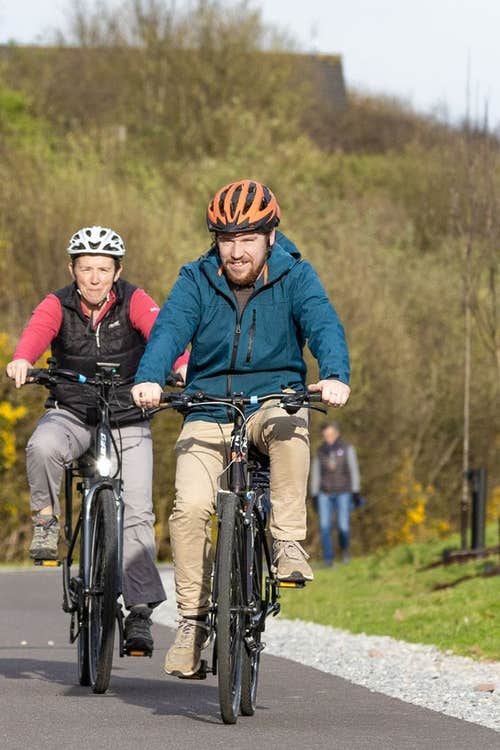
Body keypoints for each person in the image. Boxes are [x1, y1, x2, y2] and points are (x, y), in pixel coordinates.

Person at [131, 179, 350, 678]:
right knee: (188, 508)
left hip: (274, 398)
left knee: (291, 429)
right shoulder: (196, 278)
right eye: (227, 239)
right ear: (215, 241)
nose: (236, 251)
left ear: (271, 237)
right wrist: (149, 377)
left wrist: (334, 374)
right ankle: (191, 623)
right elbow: (168, 331)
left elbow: (323, 324)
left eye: (248, 239)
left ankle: (288, 543)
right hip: (207, 406)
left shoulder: (297, 275)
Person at [5, 225, 183, 655]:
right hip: (72, 413)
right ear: (73, 269)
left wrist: (179, 367)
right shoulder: (57, 303)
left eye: (103, 269)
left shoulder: (136, 301)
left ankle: (139, 612)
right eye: (86, 268)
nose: (95, 277)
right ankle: (47, 522)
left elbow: (165, 336)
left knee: (138, 511)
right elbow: (35, 333)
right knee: (42, 446)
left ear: (117, 271)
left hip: (127, 416)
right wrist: (23, 360)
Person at [310, 421, 361, 565]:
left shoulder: (347, 449)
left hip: (343, 492)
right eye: (326, 435)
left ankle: (345, 551)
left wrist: (355, 491)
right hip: (324, 494)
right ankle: (328, 559)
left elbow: (353, 470)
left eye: (331, 434)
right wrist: (314, 494)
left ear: (337, 434)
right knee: (324, 527)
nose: (328, 437)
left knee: (343, 526)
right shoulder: (320, 451)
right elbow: (315, 474)